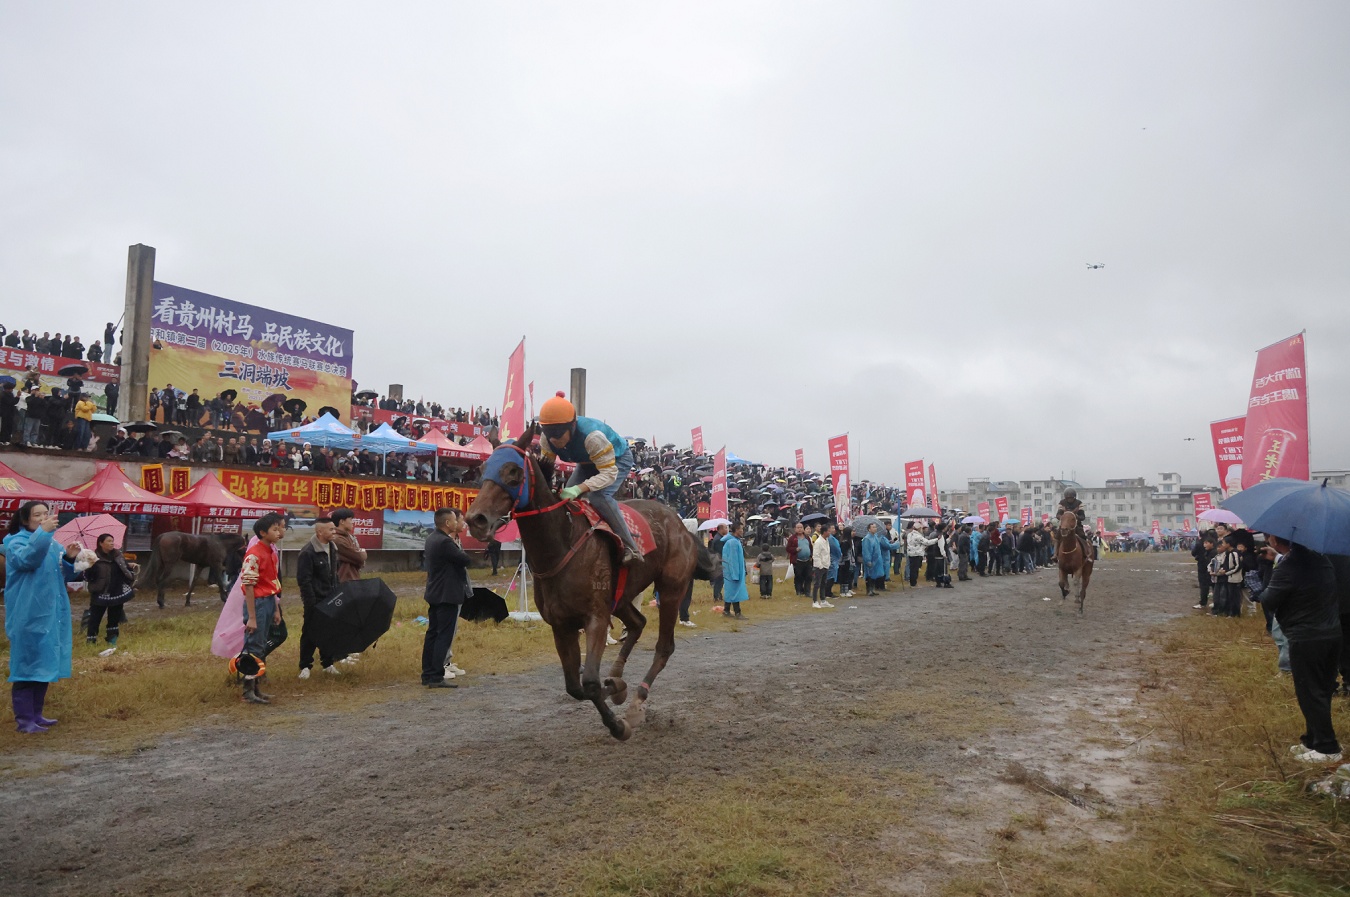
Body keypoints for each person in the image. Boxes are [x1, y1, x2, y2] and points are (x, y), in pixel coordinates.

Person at [1260, 535, 1342, 763]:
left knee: (1310, 692)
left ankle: (1327, 747)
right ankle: (1313, 740)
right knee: (1322, 689)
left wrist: (1273, 571)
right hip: (1332, 633)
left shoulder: (1289, 566)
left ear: (1275, 540)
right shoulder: (1321, 559)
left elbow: (1268, 599)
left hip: (1306, 637)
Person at [537, 391, 644, 565]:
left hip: (617, 459)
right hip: (587, 462)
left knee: (598, 496)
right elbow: (546, 470)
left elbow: (608, 474)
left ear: (572, 426)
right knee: (565, 499)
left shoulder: (592, 437)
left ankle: (631, 548)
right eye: (550, 434)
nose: (554, 440)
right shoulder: (546, 439)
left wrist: (580, 488)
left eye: (558, 434)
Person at [4, 501, 70, 733]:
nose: (43, 518)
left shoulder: (52, 543)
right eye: (37, 515)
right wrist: (43, 533)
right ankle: (24, 720)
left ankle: (37, 714)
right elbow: (27, 559)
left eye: (45, 514)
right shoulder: (15, 543)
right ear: (25, 520)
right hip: (27, 613)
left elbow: (64, 571)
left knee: (44, 665)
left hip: (49, 613)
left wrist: (72, 557)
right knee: (27, 666)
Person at [238, 513, 286, 705]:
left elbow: (272, 583)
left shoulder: (271, 552)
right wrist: (251, 617)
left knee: (260, 645)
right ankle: (247, 691)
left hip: (267, 602)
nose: (279, 532)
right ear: (263, 532)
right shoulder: (254, 554)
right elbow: (249, 586)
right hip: (257, 603)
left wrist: (275, 609)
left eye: (279, 528)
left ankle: (256, 688)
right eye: (275, 529)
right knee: (253, 646)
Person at [422, 507, 470, 688]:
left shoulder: (432, 538)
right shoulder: (445, 542)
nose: (458, 523)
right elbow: (465, 560)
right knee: (443, 635)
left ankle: (428, 674)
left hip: (435, 592)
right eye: (455, 520)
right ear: (448, 523)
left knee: (433, 634)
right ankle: (436, 676)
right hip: (447, 594)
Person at [296, 517, 341, 679]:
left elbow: (334, 573)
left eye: (334, 529)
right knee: (310, 633)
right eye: (331, 529)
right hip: (315, 601)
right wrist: (311, 603)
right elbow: (304, 581)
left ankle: (328, 663)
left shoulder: (333, 548)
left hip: (331, 598)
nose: (334, 532)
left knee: (330, 631)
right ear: (320, 532)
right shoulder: (308, 552)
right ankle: (305, 666)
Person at [83, 534, 138, 653]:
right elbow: (87, 577)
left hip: (117, 591)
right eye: (108, 541)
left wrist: (130, 568)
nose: (112, 543)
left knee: (114, 618)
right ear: (101, 543)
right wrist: (89, 567)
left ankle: (112, 640)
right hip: (100, 592)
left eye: (112, 541)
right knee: (95, 618)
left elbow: (124, 568)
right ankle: (91, 641)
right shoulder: (93, 558)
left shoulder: (118, 555)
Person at [720, 522, 749, 618]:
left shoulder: (734, 541)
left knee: (730, 591)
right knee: (735, 592)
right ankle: (737, 612)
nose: (742, 531)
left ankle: (726, 610)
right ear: (736, 530)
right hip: (733, 572)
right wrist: (735, 574)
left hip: (731, 572)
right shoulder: (733, 542)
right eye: (741, 529)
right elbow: (733, 560)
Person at [331, 508, 368, 582]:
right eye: (350, 519)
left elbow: (358, 558)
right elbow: (360, 557)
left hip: (353, 577)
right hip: (344, 579)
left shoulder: (349, 536)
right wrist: (362, 552)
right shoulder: (337, 539)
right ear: (342, 521)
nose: (352, 522)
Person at [861, 522, 888, 596]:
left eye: (875, 527)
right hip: (870, 559)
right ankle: (869, 590)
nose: (875, 529)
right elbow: (866, 551)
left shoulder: (875, 537)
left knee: (874, 575)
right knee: (869, 575)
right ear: (869, 529)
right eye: (873, 527)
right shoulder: (867, 539)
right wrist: (868, 560)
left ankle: (873, 589)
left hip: (877, 559)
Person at [810, 522, 832, 608]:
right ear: (824, 532)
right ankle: (815, 601)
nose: (830, 533)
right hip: (819, 567)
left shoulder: (826, 541)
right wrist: (820, 566)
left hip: (826, 565)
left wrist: (827, 564)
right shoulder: (818, 542)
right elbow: (816, 555)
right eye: (828, 531)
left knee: (823, 584)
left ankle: (823, 600)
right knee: (817, 584)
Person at [1192, 534, 1216, 610]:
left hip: (1210, 572)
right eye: (1204, 543)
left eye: (1206, 543)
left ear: (1212, 543)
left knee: (1211, 587)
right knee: (1206, 587)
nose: (1204, 545)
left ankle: (1209, 603)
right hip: (1205, 571)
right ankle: (1204, 603)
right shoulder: (1206, 551)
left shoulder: (1213, 552)